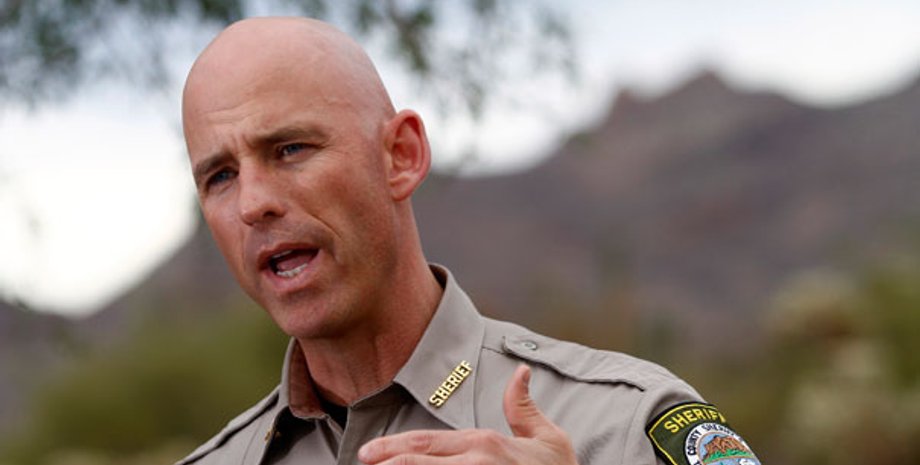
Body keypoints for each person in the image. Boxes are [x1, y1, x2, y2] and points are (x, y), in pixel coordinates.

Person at [177, 16, 760, 465]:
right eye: (220, 176)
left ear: (401, 156)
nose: (253, 204)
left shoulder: (627, 422)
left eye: (290, 149)